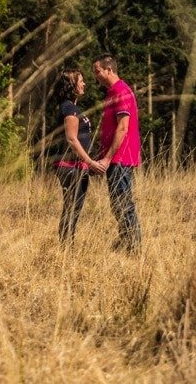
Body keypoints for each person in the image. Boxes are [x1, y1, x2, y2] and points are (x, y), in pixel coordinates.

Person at [93, 53, 142, 253]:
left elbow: (122, 128)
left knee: (123, 203)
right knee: (117, 203)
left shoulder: (121, 91)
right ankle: (127, 242)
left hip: (120, 158)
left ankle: (133, 247)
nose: (95, 76)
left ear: (109, 70)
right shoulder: (111, 92)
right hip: (115, 159)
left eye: (97, 71)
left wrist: (107, 157)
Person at [51, 69, 104, 243]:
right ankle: (66, 247)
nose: (84, 84)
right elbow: (72, 140)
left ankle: (67, 246)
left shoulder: (71, 107)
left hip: (76, 166)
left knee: (73, 208)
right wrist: (90, 162)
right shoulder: (69, 109)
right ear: (71, 85)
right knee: (72, 208)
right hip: (70, 167)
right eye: (80, 81)